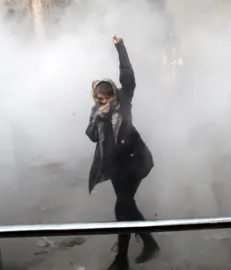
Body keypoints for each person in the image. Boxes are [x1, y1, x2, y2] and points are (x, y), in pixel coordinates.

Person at [85, 35, 159, 270]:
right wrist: (100, 117)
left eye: (105, 99)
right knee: (127, 206)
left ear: (113, 95)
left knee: (122, 206)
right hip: (115, 167)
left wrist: (120, 47)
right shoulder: (96, 111)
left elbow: (128, 78)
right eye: (98, 99)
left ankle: (121, 259)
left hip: (136, 163)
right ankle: (149, 243)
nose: (102, 102)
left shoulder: (124, 101)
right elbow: (91, 135)